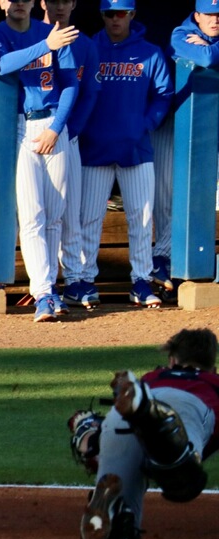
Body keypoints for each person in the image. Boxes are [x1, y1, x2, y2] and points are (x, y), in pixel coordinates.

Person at [68, 328, 218, 539]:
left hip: (121, 417)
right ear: (212, 365)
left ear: (172, 360)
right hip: (187, 408)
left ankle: (114, 511)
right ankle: (158, 421)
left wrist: (87, 430)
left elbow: (92, 449)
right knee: (184, 477)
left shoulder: (153, 377)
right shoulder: (213, 383)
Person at [0, 0, 79, 323]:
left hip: (54, 124)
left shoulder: (51, 31)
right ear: (2, 2)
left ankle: (50, 288)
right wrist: (45, 45)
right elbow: (2, 65)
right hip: (21, 127)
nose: (19, 3)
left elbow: (70, 84)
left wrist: (56, 128)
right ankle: (42, 292)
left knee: (55, 215)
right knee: (32, 215)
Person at [77, 0, 173, 309]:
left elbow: (163, 94)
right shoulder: (89, 47)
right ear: (102, 15)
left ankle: (141, 281)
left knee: (141, 219)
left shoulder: (150, 52)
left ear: (132, 14)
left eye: (122, 13)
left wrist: (145, 124)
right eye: (109, 13)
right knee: (89, 219)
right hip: (95, 148)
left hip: (136, 148)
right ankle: (84, 280)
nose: (116, 19)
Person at [45, 0, 101, 312]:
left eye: (65, 0)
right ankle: (43, 281)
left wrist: (71, 129)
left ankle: (75, 279)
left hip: (67, 135)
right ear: (42, 3)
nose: (60, 6)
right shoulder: (33, 38)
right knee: (35, 212)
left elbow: (90, 92)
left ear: (74, 4)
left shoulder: (86, 46)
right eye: (53, 0)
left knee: (69, 209)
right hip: (29, 133)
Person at [162, 0, 219, 293]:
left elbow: (208, 54)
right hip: (179, 127)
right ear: (197, 15)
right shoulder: (180, 33)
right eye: (209, 14)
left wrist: (211, 47)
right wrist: (210, 49)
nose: (215, 19)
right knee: (171, 197)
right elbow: (207, 60)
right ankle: (163, 263)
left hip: (211, 129)